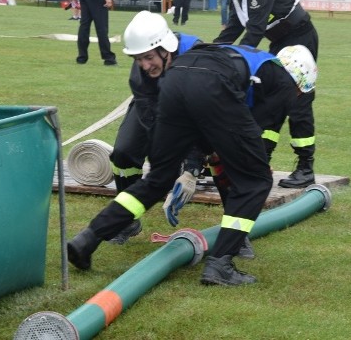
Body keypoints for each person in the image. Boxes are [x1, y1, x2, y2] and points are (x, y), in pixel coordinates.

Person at [67, 40, 314, 286]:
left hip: (175, 81)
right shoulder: (282, 83)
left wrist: (195, 164)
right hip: (211, 86)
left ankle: (89, 238)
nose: (297, 98)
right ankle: (221, 265)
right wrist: (243, 161)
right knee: (256, 181)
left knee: (157, 179)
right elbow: (251, 135)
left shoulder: (250, 61)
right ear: (299, 82)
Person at [196, 0, 320, 189]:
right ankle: (261, 160)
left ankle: (306, 167)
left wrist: (234, 60)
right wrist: (209, 51)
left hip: (300, 39)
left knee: (298, 102)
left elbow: (254, 30)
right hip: (278, 43)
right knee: (271, 102)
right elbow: (233, 28)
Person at [106, 11, 202, 243]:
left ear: (165, 48)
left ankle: (237, 235)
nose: (145, 65)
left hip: (198, 111)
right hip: (157, 106)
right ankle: (126, 221)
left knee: (227, 160)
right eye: (138, 59)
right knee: (123, 152)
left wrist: (191, 169)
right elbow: (150, 118)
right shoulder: (140, 74)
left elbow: (202, 118)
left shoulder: (196, 57)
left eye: (148, 57)